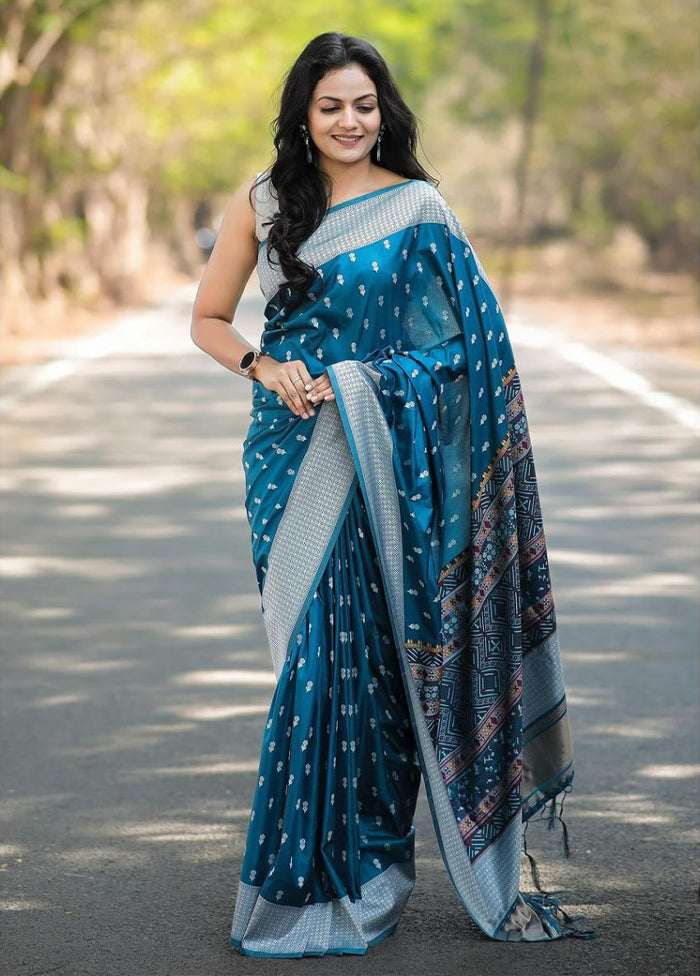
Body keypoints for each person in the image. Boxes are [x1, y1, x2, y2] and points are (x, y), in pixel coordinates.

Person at [190, 30, 596, 959]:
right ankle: (302, 883)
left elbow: (471, 354)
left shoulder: (419, 208)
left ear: (386, 112)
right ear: (303, 112)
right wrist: (266, 367)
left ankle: (370, 872)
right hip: (293, 461)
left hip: (387, 461)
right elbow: (208, 320)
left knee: (377, 674)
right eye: (331, 105)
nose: (349, 120)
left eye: (364, 105)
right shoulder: (264, 202)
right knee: (317, 670)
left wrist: (370, 384)